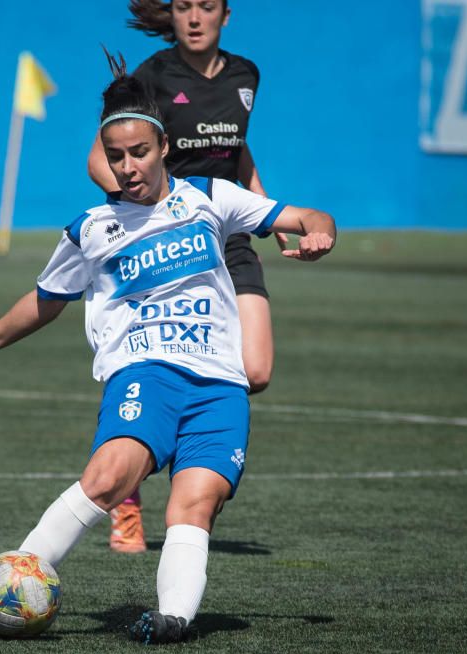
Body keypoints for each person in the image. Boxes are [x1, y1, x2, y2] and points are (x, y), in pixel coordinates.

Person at [0, 51, 335, 644]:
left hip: (220, 386)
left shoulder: (212, 196)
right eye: (116, 156)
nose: (129, 167)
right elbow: (46, 299)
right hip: (147, 370)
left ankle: (173, 621)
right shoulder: (92, 227)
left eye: (139, 153)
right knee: (108, 477)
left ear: (163, 148)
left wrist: (320, 235)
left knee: (195, 504)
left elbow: (309, 213)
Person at [88, 0, 282, 552]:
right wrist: (138, 215)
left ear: (227, 14)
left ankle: (189, 476)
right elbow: (100, 159)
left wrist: (267, 212)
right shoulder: (152, 76)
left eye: (206, 6)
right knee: (153, 361)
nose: (194, 17)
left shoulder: (246, 75)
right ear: (170, 16)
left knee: (256, 370)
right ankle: (128, 493)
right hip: (167, 242)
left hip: (230, 234)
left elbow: (237, 152)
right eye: (182, 7)